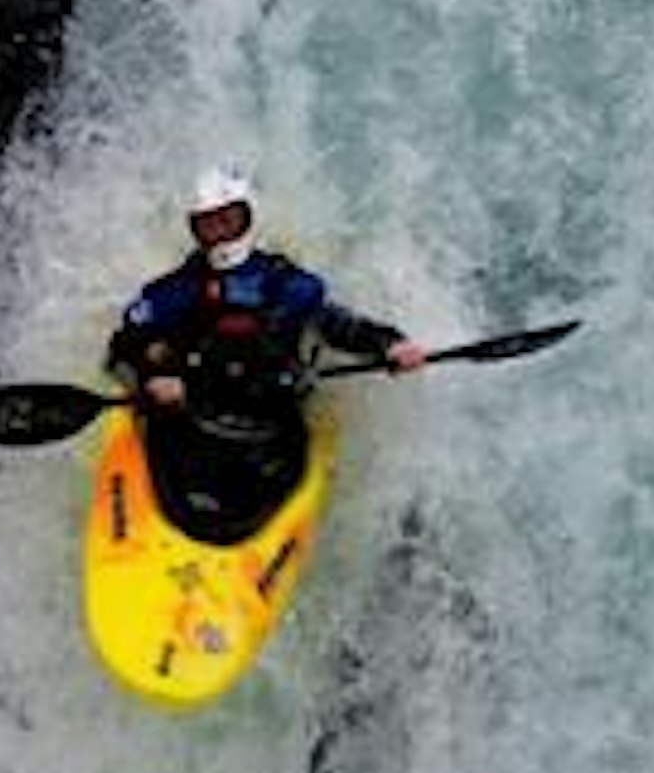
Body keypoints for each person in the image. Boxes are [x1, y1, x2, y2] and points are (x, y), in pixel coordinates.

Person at [106, 167, 426, 537]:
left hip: (268, 436)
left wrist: (391, 344)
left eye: (227, 221)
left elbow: (342, 327)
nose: (219, 233)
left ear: (248, 218)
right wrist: (151, 378)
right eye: (208, 224)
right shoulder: (177, 290)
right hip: (191, 426)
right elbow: (122, 348)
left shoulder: (284, 283)